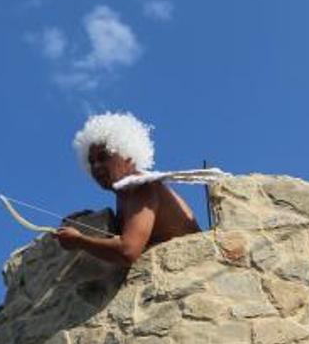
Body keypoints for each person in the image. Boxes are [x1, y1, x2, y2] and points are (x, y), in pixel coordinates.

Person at [55, 113, 200, 266]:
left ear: (127, 156)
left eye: (103, 157)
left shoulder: (142, 187)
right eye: (91, 161)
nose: (96, 166)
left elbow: (128, 251)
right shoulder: (124, 194)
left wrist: (79, 240)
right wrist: (89, 220)